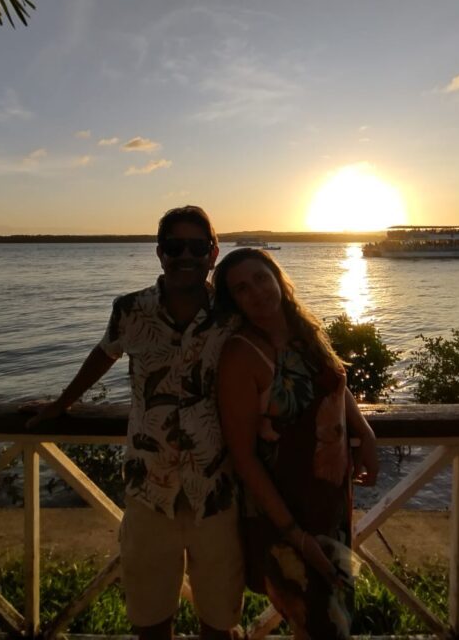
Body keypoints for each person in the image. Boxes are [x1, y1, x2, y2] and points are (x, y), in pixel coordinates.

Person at [24, 205, 244, 640]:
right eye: (175, 246)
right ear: (159, 253)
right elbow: (105, 352)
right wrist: (61, 403)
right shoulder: (131, 310)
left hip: (216, 489)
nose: (186, 255)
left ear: (213, 252)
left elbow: (286, 350)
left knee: (220, 622)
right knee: (149, 619)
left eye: (197, 246)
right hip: (149, 489)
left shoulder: (232, 312)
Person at [214, 247, 379, 640]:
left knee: (329, 614)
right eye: (241, 288)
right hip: (285, 507)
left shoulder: (305, 331)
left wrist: (366, 432)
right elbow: (244, 456)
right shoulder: (242, 354)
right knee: (321, 622)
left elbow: (333, 382)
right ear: (232, 301)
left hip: (328, 498)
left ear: (277, 279)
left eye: (260, 278)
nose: (255, 292)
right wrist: (295, 535)